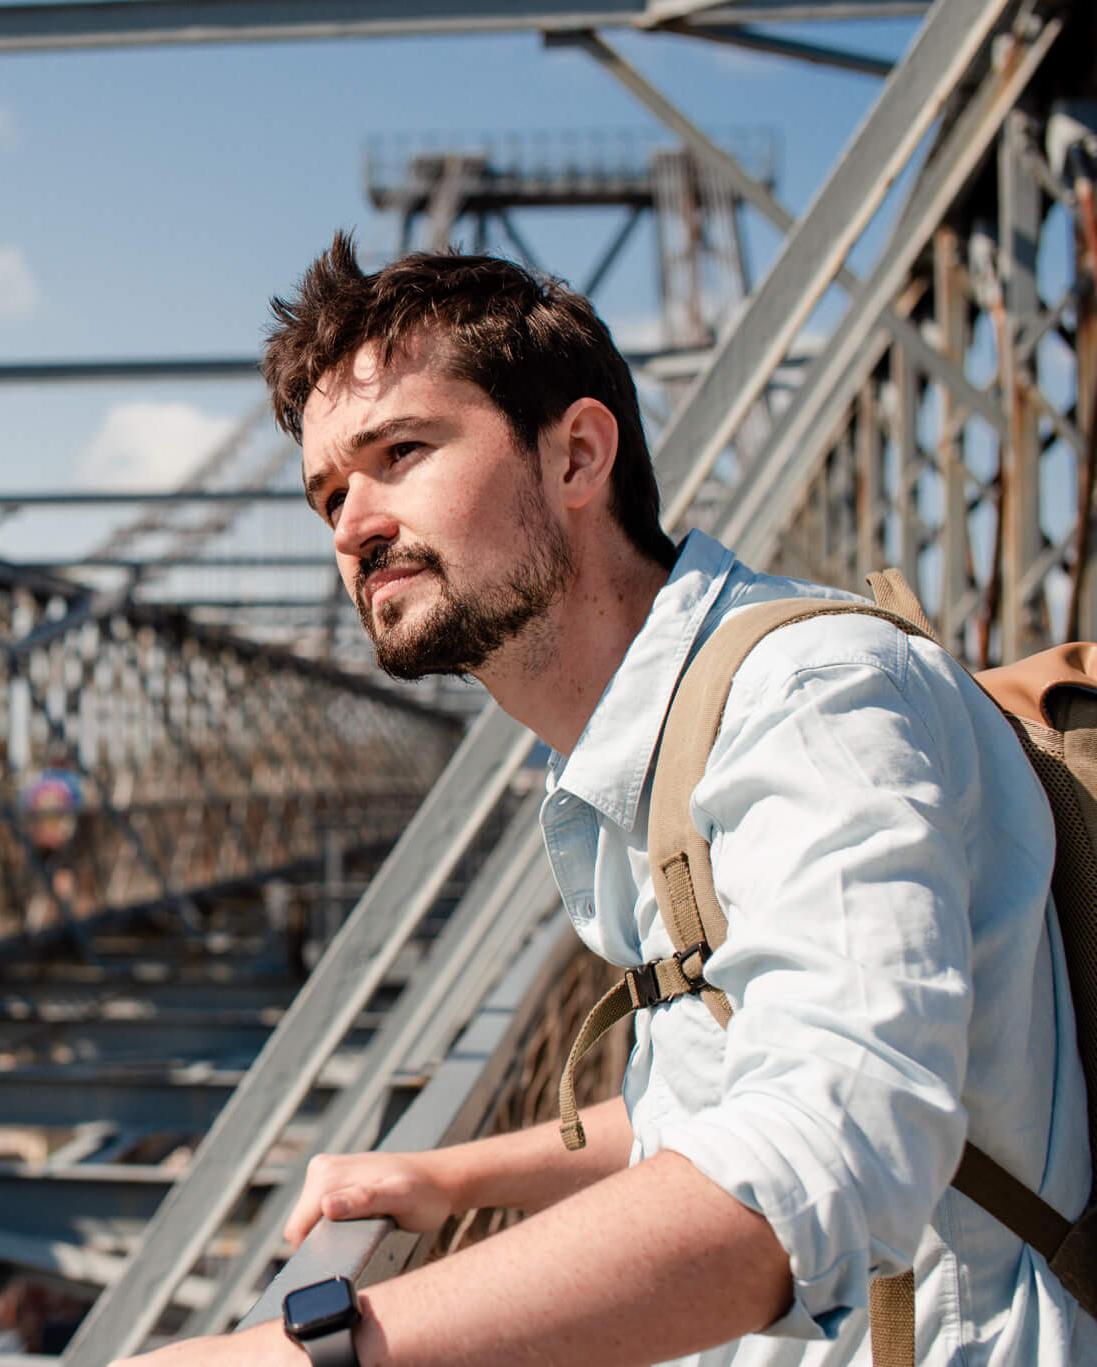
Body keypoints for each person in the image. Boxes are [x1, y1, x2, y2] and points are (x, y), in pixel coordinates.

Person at [113, 238, 1091, 1365]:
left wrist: (302, 1352)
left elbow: (831, 1146)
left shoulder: (808, 699)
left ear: (576, 453)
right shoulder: (639, 742)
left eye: (400, 451)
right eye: (328, 490)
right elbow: (729, 1076)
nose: (350, 523)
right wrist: (456, 1172)